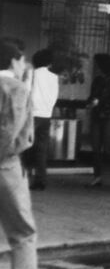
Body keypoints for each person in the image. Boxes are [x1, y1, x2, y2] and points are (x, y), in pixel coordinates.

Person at [0, 38, 51, 269]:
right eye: (22, 60)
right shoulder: (15, 88)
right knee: (23, 233)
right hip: (5, 167)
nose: (24, 65)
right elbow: (10, 131)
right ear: (13, 61)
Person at [86, 53, 110, 188]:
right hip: (97, 116)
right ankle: (97, 176)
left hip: (109, 117)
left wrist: (100, 102)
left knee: (108, 147)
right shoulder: (97, 80)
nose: (95, 67)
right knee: (96, 147)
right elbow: (91, 96)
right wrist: (90, 102)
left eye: (97, 65)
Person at [24, 50, 57, 191]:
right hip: (46, 115)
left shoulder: (32, 74)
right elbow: (54, 97)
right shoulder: (54, 77)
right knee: (41, 149)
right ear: (49, 63)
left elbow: (26, 92)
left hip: (32, 114)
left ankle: (23, 178)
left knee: (25, 146)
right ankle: (40, 180)